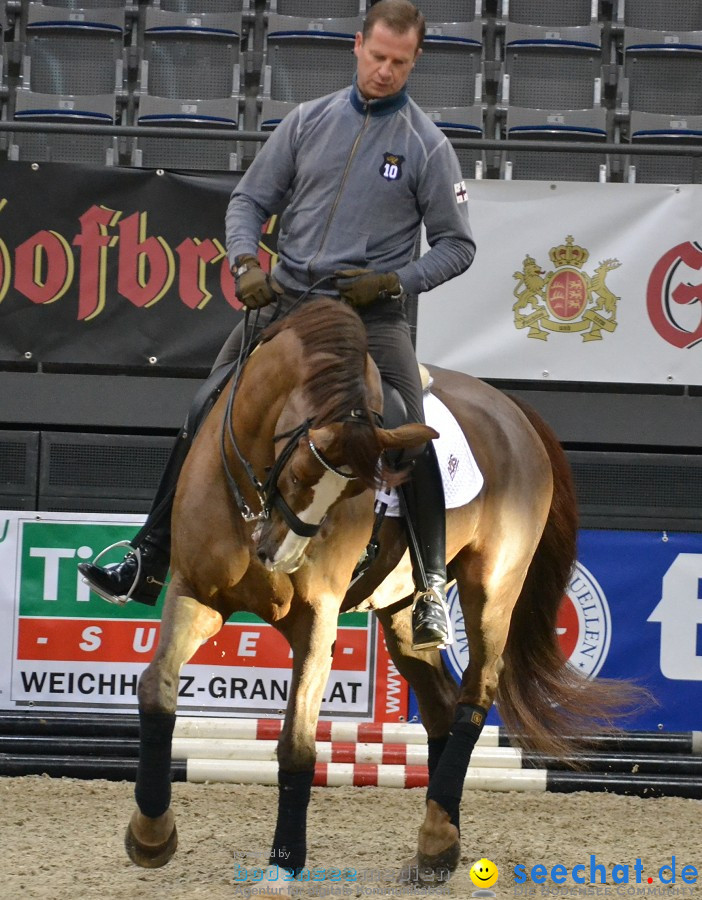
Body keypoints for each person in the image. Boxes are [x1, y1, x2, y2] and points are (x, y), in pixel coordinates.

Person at [79, 0, 476, 651]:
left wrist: (396, 282)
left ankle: (431, 588)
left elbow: (457, 246)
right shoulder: (307, 120)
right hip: (289, 301)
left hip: (371, 314)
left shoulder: (427, 146)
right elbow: (249, 200)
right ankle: (147, 556)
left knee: (404, 420)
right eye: (377, 57)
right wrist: (244, 261)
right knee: (206, 402)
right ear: (357, 46)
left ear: (415, 61)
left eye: (398, 63)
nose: (384, 71)